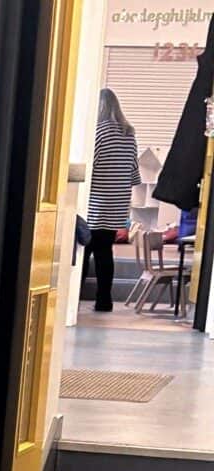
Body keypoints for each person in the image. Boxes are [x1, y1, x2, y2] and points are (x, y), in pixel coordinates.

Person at [86, 88, 141, 313]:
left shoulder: (98, 132)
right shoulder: (129, 135)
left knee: (84, 252)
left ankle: (71, 300)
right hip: (117, 204)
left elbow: (90, 167)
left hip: (95, 203)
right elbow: (134, 174)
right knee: (104, 252)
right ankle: (104, 301)